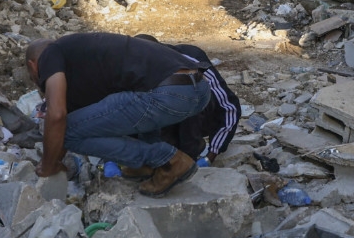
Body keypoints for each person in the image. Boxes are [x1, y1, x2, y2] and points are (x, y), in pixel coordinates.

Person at [27, 32, 219, 195]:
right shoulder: (82, 62)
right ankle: (147, 165)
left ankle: (168, 160)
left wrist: (47, 165)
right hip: (198, 90)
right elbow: (68, 124)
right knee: (123, 106)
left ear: (33, 66)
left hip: (169, 94)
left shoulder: (51, 53)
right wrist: (55, 161)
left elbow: (58, 116)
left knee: (70, 128)